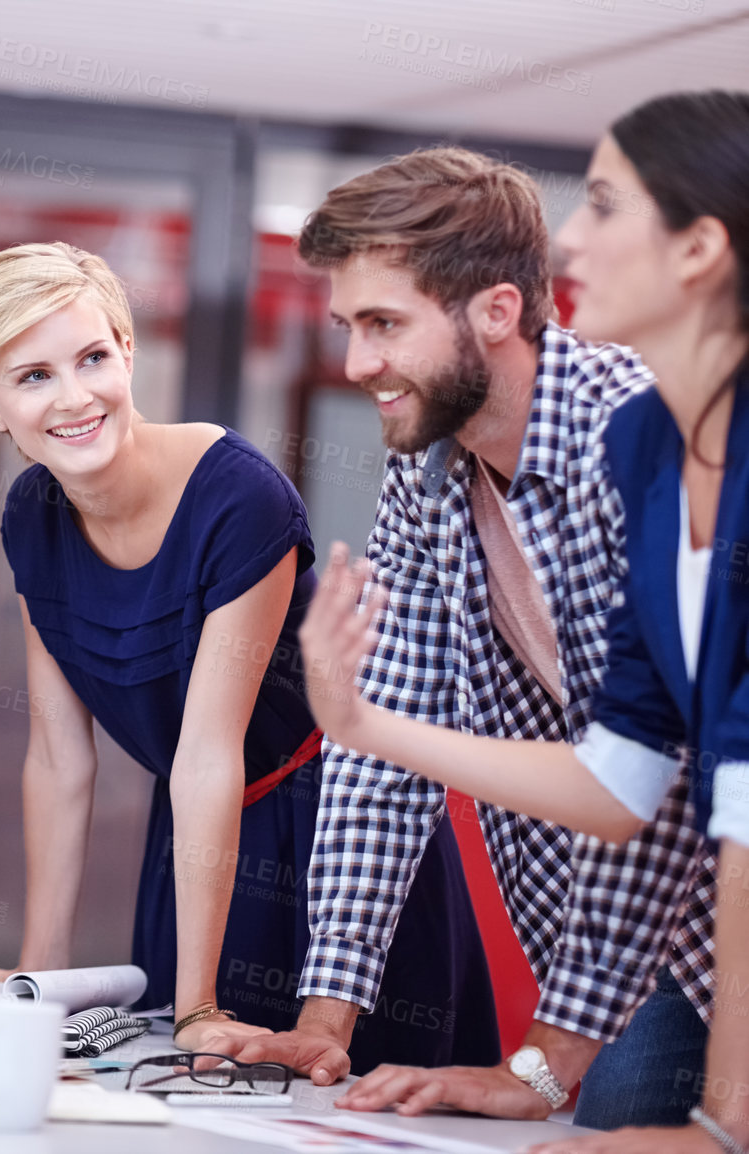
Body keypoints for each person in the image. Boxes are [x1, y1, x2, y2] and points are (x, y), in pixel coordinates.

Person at [218, 145, 720, 1132]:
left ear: (496, 311)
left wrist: (539, 1063)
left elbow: (648, 787)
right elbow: (381, 743)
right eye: (348, 326)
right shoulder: (429, 470)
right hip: (642, 949)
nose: (358, 362)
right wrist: (329, 1016)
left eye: (385, 324)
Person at [0, 241, 496, 1070]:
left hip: (333, 837)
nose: (75, 397)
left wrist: (199, 1003)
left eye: (93, 357)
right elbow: (59, 760)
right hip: (197, 833)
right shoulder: (32, 512)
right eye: (34, 377)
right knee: (178, 1097)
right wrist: (41, 977)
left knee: (320, 1110)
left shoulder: (236, 494)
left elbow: (211, 750)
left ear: (128, 352)